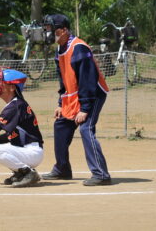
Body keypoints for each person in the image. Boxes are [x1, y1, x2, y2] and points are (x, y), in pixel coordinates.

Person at [41, 14, 112, 186]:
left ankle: (101, 174)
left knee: (86, 128)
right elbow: (64, 80)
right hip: (74, 96)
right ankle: (62, 169)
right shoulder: (60, 49)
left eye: (53, 30)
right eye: (47, 30)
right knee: (61, 125)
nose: (49, 33)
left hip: (93, 94)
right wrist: (61, 103)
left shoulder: (79, 48)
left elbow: (88, 80)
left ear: (64, 30)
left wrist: (85, 109)